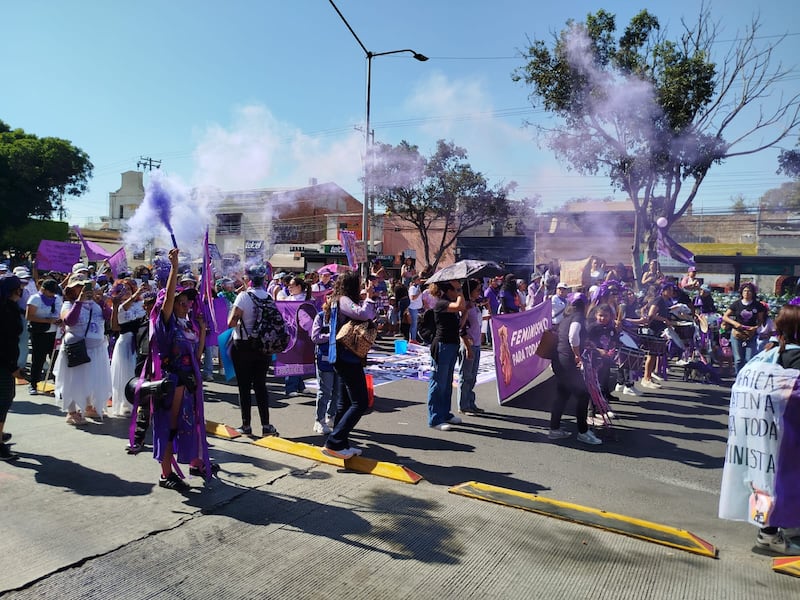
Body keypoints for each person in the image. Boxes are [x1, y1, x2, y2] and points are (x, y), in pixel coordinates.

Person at [719, 301, 800, 555]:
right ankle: (770, 532)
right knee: (782, 481)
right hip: (785, 430)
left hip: (760, 431)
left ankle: (770, 528)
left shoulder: (768, 350)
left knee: (762, 480)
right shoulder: (795, 356)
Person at [150, 248, 210, 490]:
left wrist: (203, 331)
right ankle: (166, 474)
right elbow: (167, 301)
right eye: (181, 302)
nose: (186, 305)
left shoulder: (188, 324)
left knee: (191, 424)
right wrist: (174, 267)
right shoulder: (166, 324)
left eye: (188, 302)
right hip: (172, 382)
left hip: (190, 383)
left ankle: (195, 462)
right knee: (170, 427)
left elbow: (197, 355)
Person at [322, 270, 376, 459]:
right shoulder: (343, 300)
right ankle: (335, 441)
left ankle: (341, 443)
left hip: (340, 356)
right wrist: (369, 297)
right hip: (347, 357)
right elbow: (364, 314)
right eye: (359, 283)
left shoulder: (337, 299)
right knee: (360, 402)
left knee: (344, 403)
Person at [227, 265, 280, 437]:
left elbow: (231, 323)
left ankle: (246, 425)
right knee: (260, 386)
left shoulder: (243, 296)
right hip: (263, 346)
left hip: (243, 345)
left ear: (249, 280)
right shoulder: (268, 296)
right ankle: (266, 425)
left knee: (244, 387)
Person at [54, 275, 112, 425]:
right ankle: (72, 412)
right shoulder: (68, 304)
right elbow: (70, 321)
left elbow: (108, 317)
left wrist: (102, 302)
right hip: (77, 348)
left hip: (96, 349)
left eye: (85, 286)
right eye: (79, 286)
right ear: (72, 289)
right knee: (74, 380)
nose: (83, 289)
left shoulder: (95, 304)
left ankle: (89, 406)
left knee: (91, 379)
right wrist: (79, 301)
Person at [548, 293, 602, 445]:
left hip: (559, 360)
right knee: (583, 395)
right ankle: (583, 432)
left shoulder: (566, 317)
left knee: (563, 394)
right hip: (567, 362)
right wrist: (577, 354)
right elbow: (573, 336)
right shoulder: (578, 316)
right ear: (584, 305)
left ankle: (554, 429)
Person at [427, 280, 467, 431]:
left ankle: (445, 413)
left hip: (452, 344)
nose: (456, 293)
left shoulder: (448, 305)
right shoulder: (441, 303)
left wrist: (466, 311)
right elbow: (459, 305)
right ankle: (435, 418)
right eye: (455, 290)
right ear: (447, 291)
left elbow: (459, 325)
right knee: (438, 382)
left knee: (447, 382)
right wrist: (461, 290)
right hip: (442, 345)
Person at [109, 278, 150, 417]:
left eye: (127, 289)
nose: (125, 291)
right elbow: (116, 322)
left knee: (137, 370)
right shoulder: (118, 306)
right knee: (125, 372)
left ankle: (138, 401)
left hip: (140, 340)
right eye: (121, 289)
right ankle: (125, 403)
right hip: (125, 342)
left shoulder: (140, 305)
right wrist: (137, 292)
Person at [0, 276, 25, 460]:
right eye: (18, 288)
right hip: (3, 363)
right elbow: (5, 342)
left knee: (7, 398)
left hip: (5, 361)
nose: (21, 291)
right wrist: (12, 367)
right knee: (3, 400)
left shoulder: (10, 307)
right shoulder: (4, 311)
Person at [25, 278, 63, 395]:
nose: (52, 294)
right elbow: (29, 316)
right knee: (38, 360)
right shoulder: (35, 299)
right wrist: (47, 320)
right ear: (43, 289)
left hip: (54, 333)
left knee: (55, 360)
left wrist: (60, 320)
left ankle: (58, 385)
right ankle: (33, 384)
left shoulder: (57, 299)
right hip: (39, 333)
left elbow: (61, 312)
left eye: (54, 292)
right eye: (50, 292)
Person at [310, 296, 340, 434]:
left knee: (337, 391)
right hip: (324, 358)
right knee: (325, 391)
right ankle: (319, 420)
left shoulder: (342, 318)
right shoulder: (320, 317)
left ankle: (331, 416)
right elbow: (315, 337)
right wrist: (331, 336)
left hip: (340, 359)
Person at [722, 282, 767, 374]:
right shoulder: (736, 304)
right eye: (745, 291)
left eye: (749, 291)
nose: (747, 293)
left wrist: (755, 328)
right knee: (738, 359)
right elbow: (725, 316)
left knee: (749, 358)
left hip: (751, 334)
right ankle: (738, 376)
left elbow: (760, 320)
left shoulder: (758, 305)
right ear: (742, 292)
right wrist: (735, 323)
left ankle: (747, 376)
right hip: (737, 333)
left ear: (753, 293)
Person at [457, 278, 484, 415]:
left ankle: (470, 402)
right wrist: (467, 347)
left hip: (477, 344)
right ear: (470, 291)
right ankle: (463, 405)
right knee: (465, 376)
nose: (479, 292)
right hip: (469, 345)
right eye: (477, 289)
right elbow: (461, 328)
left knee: (473, 377)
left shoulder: (475, 305)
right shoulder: (464, 306)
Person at [640, 283, 675, 389]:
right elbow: (651, 314)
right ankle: (646, 378)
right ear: (664, 290)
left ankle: (649, 377)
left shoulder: (664, 301)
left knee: (654, 355)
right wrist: (664, 320)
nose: (671, 292)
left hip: (658, 330)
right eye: (670, 290)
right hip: (653, 330)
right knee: (651, 355)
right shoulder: (659, 300)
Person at [407, 275, 423, 342]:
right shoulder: (412, 288)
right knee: (414, 324)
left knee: (416, 324)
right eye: (418, 279)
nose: (419, 281)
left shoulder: (418, 287)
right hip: (413, 308)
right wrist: (419, 293)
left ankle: (414, 338)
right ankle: (412, 339)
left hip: (418, 308)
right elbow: (412, 298)